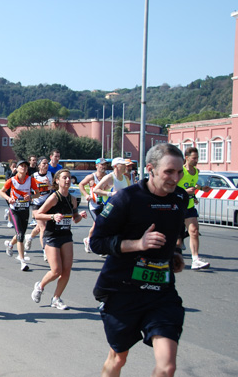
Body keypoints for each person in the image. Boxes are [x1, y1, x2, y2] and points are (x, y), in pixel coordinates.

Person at [89, 143, 188, 376]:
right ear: (151, 169)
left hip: (160, 292)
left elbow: (174, 233)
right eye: (169, 172)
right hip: (122, 291)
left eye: (179, 172)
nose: (176, 178)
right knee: (118, 358)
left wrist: (175, 254)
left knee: (167, 366)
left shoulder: (180, 198)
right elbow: (97, 242)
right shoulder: (125, 199)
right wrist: (138, 244)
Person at [31, 169, 87, 310]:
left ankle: (56, 298)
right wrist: (52, 216)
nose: (67, 180)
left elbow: (75, 219)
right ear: (57, 181)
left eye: (69, 178)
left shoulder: (72, 199)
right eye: (64, 178)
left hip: (66, 236)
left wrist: (80, 215)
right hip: (52, 236)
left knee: (67, 270)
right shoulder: (53, 198)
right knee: (56, 270)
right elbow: (38, 215)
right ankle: (40, 286)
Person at [0, 160, 40, 271]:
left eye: (25, 166)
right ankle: (23, 261)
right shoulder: (12, 180)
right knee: (20, 235)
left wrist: (30, 196)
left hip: (25, 209)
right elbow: (1, 192)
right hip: (14, 210)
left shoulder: (30, 180)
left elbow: (38, 193)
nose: (24, 168)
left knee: (21, 233)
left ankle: (10, 244)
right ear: (17, 168)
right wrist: (9, 198)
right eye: (21, 166)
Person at [176, 147, 211, 270]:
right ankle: (171, 257)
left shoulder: (196, 171)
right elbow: (173, 187)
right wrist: (185, 192)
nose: (196, 160)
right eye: (194, 158)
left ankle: (195, 259)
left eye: (197, 158)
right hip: (177, 206)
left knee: (194, 231)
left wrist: (200, 189)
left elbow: (193, 184)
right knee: (176, 238)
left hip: (189, 205)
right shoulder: (180, 171)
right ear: (186, 157)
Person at [78, 158, 108, 253]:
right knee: (100, 224)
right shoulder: (91, 177)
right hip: (94, 205)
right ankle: (100, 245)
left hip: (104, 204)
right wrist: (86, 195)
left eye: (105, 165)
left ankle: (88, 240)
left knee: (98, 225)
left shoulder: (107, 176)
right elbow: (81, 184)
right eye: (101, 165)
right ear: (97, 166)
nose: (103, 167)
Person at [26, 156, 53, 261]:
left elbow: (55, 188)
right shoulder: (33, 176)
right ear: (39, 165)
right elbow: (28, 188)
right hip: (37, 204)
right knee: (43, 228)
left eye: (47, 164)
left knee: (38, 228)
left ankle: (30, 237)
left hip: (47, 203)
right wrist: (31, 197)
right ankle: (45, 251)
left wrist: (49, 185)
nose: (46, 166)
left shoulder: (51, 175)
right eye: (44, 164)